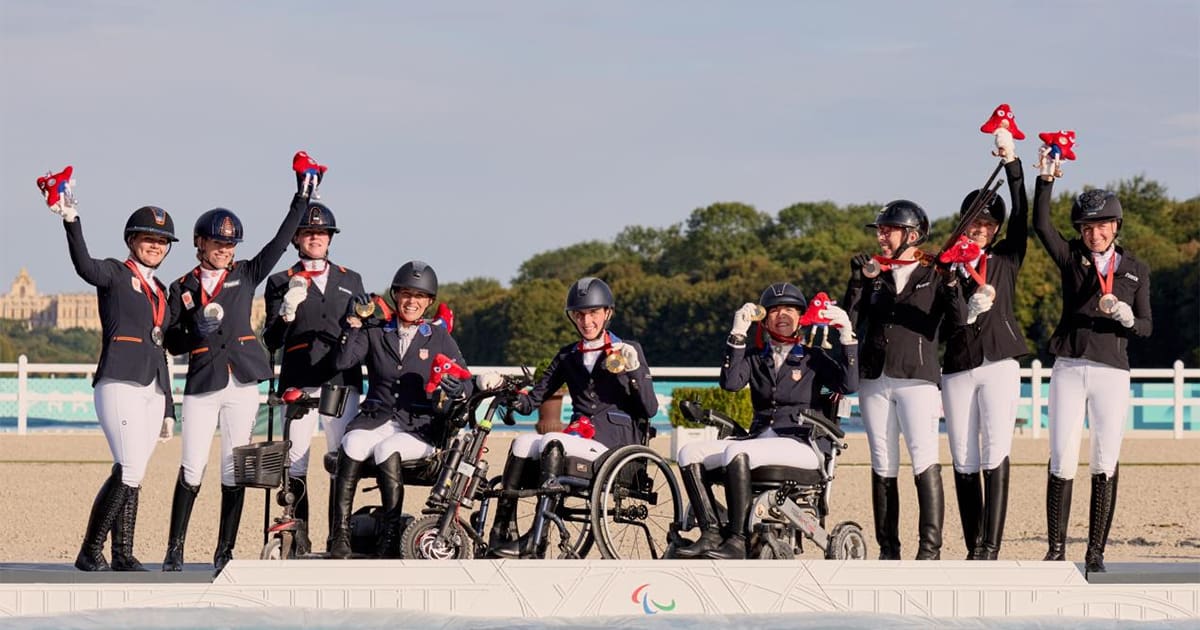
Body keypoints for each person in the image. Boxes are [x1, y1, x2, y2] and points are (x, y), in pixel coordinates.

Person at [160, 156, 311, 573]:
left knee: (233, 469)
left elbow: (280, 242)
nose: (225, 250)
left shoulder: (246, 274)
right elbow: (172, 342)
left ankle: (223, 551)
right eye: (218, 244)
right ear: (201, 244)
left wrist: (301, 197)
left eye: (229, 245)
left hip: (243, 381)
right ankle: (175, 548)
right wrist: (197, 333)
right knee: (192, 466)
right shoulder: (182, 287)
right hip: (203, 382)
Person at [49, 176, 179, 571]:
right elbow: (83, 265)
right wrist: (71, 218)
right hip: (119, 380)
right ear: (131, 241)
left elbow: (162, 348)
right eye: (147, 238)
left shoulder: (163, 292)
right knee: (128, 467)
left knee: (135, 473)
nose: (155, 245)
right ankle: (90, 549)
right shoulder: (114, 274)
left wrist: (169, 405)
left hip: (153, 388)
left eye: (161, 241)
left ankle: (123, 553)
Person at [673, 282, 858, 559]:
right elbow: (731, 383)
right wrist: (737, 334)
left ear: (800, 318)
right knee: (689, 453)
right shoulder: (756, 358)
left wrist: (846, 336)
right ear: (764, 318)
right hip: (759, 439)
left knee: (737, 450)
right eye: (774, 311)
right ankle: (711, 532)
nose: (781, 315)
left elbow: (848, 384)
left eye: (789, 310)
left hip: (802, 442)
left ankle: (737, 540)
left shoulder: (813, 358)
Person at [1033, 171, 1152, 573]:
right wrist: (1045, 179)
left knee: (1105, 458)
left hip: (1112, 370)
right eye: (1087, 227)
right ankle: (1055, 549)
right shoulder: (1071, 257)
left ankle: (1096, 552)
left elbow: (1148, 327)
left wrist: (1129, 317)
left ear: (1115, 226)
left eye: (1101, 226)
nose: (1094, 234)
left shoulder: (1135, 268)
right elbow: (1040, 224)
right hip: (1069, 364)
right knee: (1062, 457)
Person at [488, 277, 657, 558]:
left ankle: (537, 539)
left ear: (607, 313)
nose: (586, 320)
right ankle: (502, 531)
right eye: (580, 314)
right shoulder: (568, 356)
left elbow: (649, 409)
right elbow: (532, 401)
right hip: (580, 439)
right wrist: (509, 393)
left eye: (593, 313)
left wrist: (635, 370)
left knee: (554, 440)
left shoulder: (629, 349)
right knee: (521, 443)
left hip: (615, 446)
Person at [326, 261, 481, 559]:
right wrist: (352, 324)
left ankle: (389, 533)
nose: (412, 301)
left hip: (419, 426)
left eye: (419, 297)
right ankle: (340, 534)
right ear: (396, 296)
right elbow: (343, 362)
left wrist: (456, 390)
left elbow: (466, 382)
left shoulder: (438, 337)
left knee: (387, 450)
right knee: (352, 443)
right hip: (377, 416)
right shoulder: (375, 329)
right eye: (406, 294)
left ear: (429, 302)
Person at [842, 200, 964, 560]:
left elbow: (957, 321)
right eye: (880, 230)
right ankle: (888, 549)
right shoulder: (874, 274)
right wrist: (858, 282)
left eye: (887, 230)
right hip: (875, 377)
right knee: (882, 461)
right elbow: (849, 320)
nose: (881, 236)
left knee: (924, 458)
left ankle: (929, 549)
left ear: (911, 235)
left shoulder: (934, 273)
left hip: (917, 378)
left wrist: (953, 279)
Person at [939, 154, 1030, 560]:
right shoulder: (946, 267)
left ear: (996, 230)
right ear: (963, 225)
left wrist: (1013, 165)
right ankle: (972, 543)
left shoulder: (1007, 258)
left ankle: (990, 546)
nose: (980, 230)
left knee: (995, 449)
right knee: (962, 454)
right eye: (974, 223)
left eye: (988, 225)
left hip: (999, 362)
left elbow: (1023, 211)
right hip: (958, 364)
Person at [262, 201, 365, 555]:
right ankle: (299, 534)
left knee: (340, 458)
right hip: (299, 378)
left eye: (321, 233)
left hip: (340, 378)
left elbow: (363, 330)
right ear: (297, 239)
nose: (315, 238)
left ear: (329, 238)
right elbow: (271, 340)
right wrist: (287, 313)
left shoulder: (351, 280)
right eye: (308, 233)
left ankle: (340, 534)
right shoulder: (279, 281)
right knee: (297, 461)